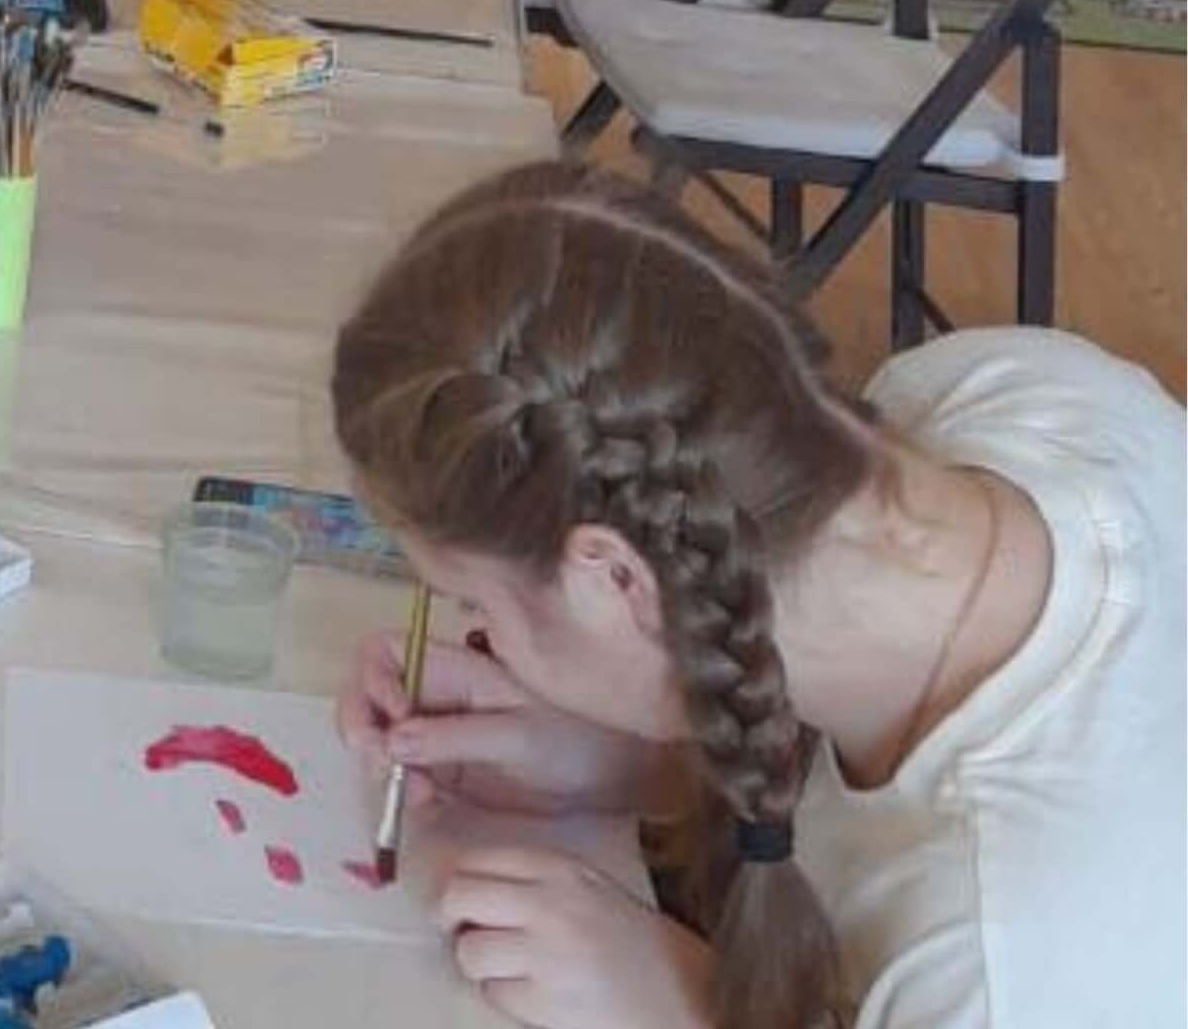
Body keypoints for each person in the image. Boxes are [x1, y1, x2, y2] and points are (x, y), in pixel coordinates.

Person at [331, 161, 1184, 1029]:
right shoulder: (993, 385)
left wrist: (685, 1005)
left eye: (474, 606)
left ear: (616, 579)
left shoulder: (1000, 963)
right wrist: (638, 767)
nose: (479, 634)